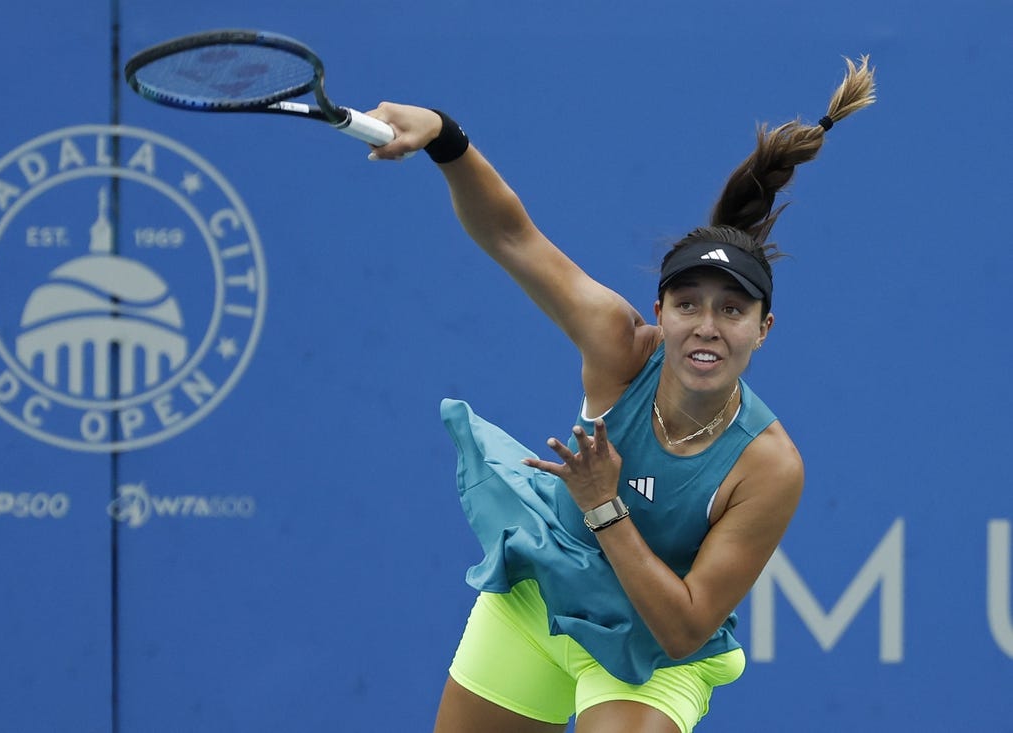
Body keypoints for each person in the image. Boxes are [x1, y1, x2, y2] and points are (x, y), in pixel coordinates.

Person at [367, 57, 876, 733]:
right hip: (541, 596)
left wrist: (605, 504)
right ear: (658, 312)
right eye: (687, 303)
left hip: (654, 651)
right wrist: (442, 135)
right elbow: (513, 235)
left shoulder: (769, 465)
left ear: (764, 329)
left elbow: (685, 626)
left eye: (732, 310)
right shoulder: (619, 348)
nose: (706, 326)